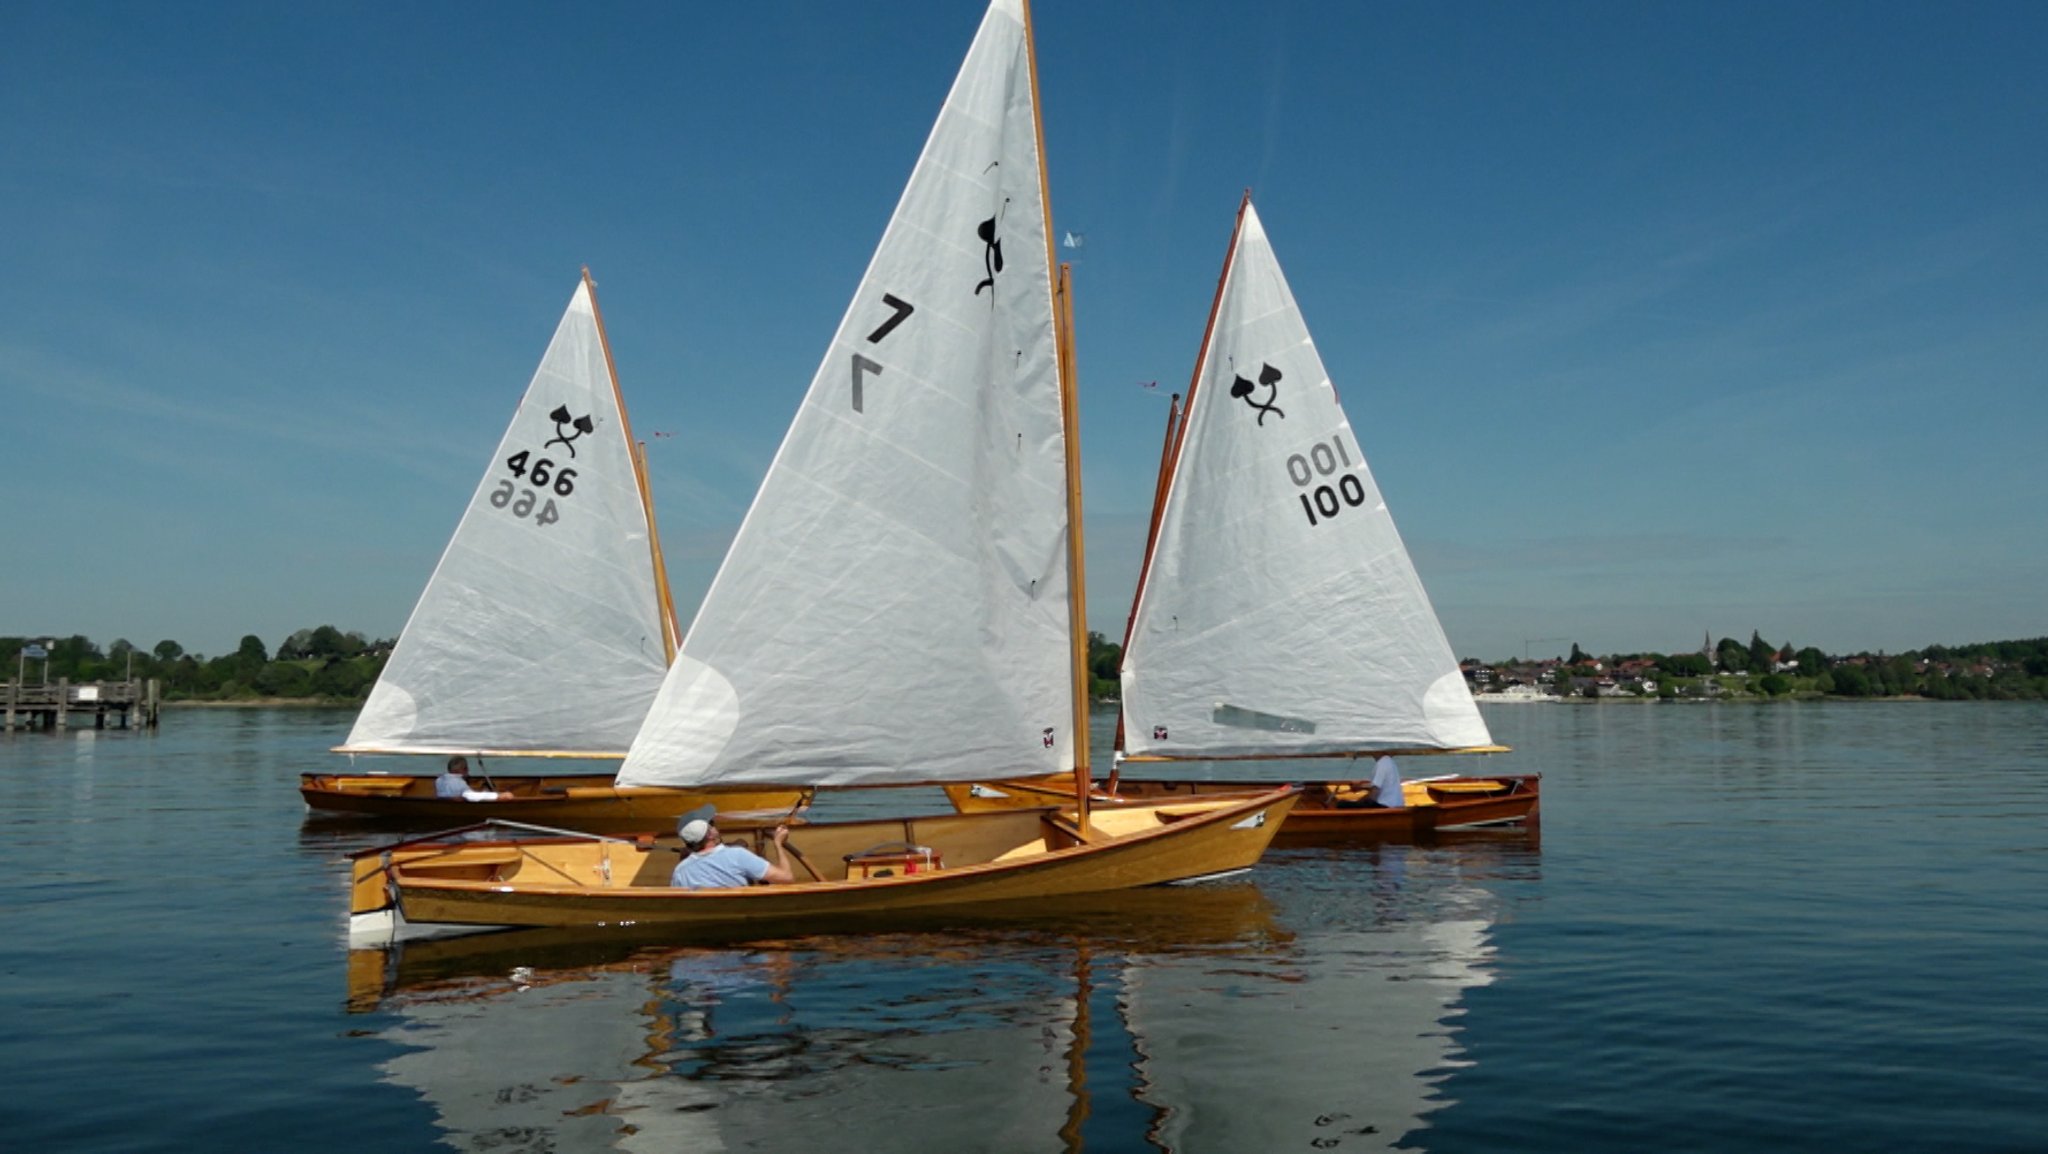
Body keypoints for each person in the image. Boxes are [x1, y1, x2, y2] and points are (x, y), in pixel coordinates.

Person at [670, 818, 795, 889]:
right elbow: (786, 878)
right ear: (710, 835)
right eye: (711, 827)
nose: (715, 828)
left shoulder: (680, 871)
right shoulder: (737, 855)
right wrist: (778, 844)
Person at [434, 755, 500, 801]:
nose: (468, 770)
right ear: (464, 769)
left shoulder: (439, 781)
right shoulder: (459, 782)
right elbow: (471, 796)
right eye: (466, 768)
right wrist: (496, 796)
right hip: (457, 810)